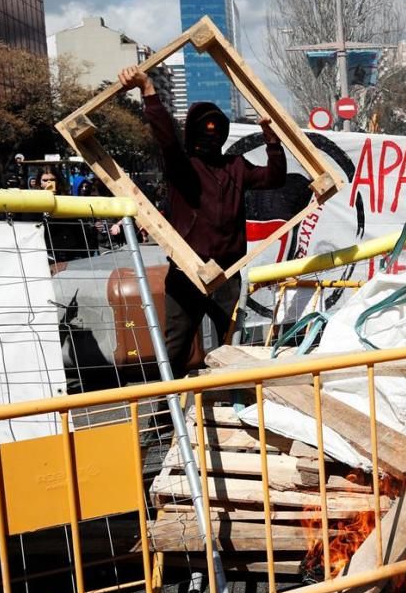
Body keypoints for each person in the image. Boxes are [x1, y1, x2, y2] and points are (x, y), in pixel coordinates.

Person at [118, 65, 287, 376]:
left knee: (234, 347)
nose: (211, 136)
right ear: (192, 134)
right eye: (204, 130)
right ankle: (164, 416)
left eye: (216, 129)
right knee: (176, 348)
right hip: (186, 272)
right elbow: (167, 141)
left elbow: (274, 177)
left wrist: (273, 143)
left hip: (227, 275)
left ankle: (237, 405)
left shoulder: (236, 166)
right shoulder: (183, 167)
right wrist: (149, 92)